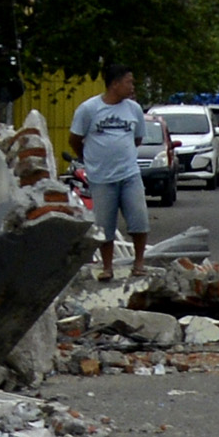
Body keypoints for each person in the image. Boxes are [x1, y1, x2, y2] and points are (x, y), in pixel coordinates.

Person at [71, 67, 151, 280]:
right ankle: (107, 267)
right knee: (105, 224)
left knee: (139, 219)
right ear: (115, 84)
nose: (132, 87)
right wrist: (89, 158)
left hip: (129, 174)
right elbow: (75, 139)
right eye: (128, 82)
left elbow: (137, 139)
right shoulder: (89, 109)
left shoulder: (133, 110)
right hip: (101, 177)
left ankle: (139, 263)